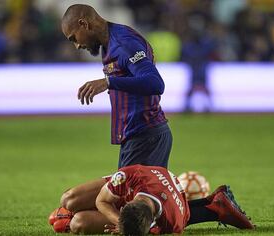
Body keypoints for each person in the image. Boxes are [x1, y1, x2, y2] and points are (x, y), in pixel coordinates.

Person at [61, 4, 172, 169]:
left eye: (74, 38)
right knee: (135, 194)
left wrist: (108, 82)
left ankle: (213, 196)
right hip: (136, 136)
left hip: (146, 136)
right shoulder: (108, 43)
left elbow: (155, 82)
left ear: (84, 24)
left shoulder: (124, 43)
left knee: (126, 195)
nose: (77, 45)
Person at [49, 165, 254, 234]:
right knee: (68, 199)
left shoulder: (173, 222)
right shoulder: (130, 175)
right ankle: (71, 211)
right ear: (127, 202)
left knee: (78, 223)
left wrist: (124, 227)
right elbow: (102, 201)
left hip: (161, 197)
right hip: (146, 181)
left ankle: (72, 217)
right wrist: (117, 221)